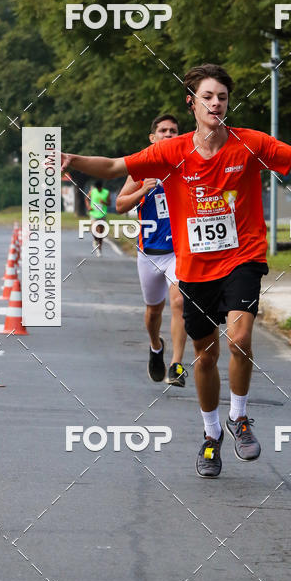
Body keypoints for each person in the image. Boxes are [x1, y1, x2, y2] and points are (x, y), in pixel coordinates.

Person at [61, 63, 291, 479]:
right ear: (192, 102)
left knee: (240, 337)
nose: (216, 103)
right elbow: (113, 168)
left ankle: (239, 417)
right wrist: (74, 159)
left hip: (242, 256)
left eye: (222, 97)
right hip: (196, 266)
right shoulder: (171, 151)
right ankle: (211, 434)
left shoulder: (249, 143)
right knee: (206, 356)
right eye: (208, 96)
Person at [116, 114, 188, 387]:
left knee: (179, 302)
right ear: (153, 137)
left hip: (179, 251)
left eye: (173, 131)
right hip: (149, 254)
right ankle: (156, 346)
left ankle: (176, 365)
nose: (168, 134)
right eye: (163, 130)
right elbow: (121, 205)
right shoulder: (143, 167)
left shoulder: (186, 165)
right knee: (153, 312)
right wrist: (142, 190)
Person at [86, 179, 110, 257]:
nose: (98, 190)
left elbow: (109, 203)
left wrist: (104, 202)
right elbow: (86, 199)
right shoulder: (92, 191)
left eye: (100, 188)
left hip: (102, 214)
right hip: (93, 213)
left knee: (101, 233)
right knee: (94, 229)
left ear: (101, 187)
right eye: (97, 188)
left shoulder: (106, 192)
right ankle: (95, 240)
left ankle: (99, 249)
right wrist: (88, 206)